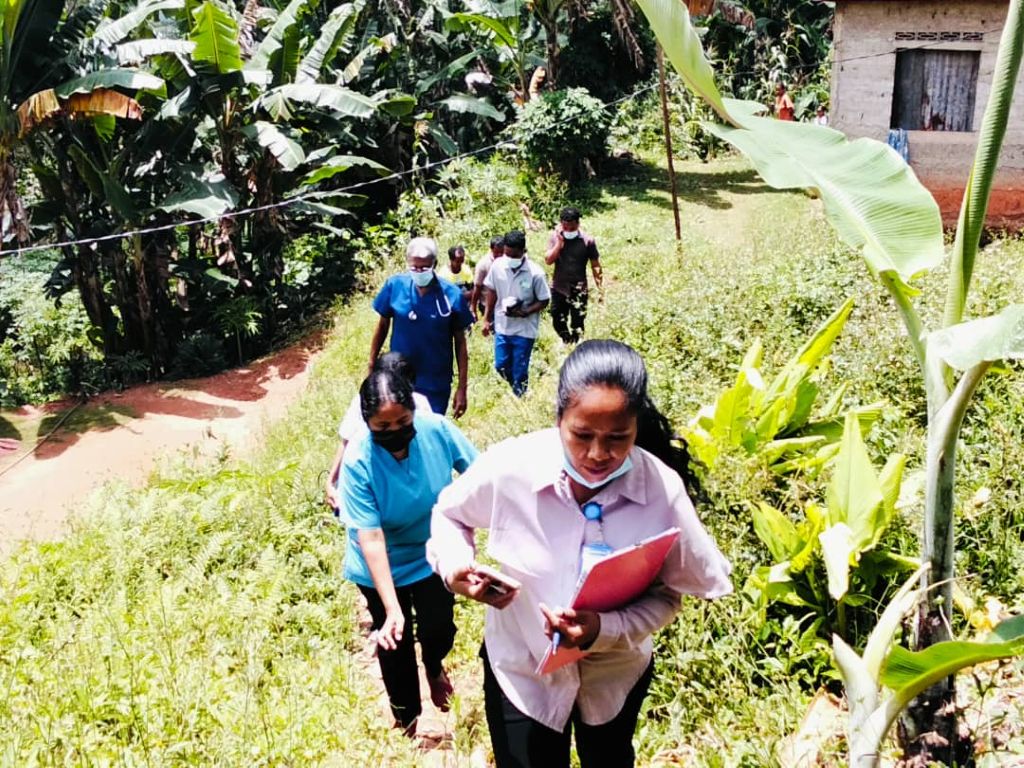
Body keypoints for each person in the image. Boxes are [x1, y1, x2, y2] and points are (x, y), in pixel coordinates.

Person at [428, 340, 732, 768]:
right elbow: (448, 515)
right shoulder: (512, 467)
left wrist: (603, 630)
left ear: (636, 427)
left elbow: (668, 597)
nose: (597, 454)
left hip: (614, 676)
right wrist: (455, 566)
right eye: (582, 435)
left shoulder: (661, 491)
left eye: (617, 438)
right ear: (559, 419)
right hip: (522, 668)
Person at [342, 365, 478, 734]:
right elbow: (371, 538)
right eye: (382, 426)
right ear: (367, 422)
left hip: (433, 550)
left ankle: (433, 665)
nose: (395, 431)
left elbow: (479, 476)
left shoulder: (437, 430)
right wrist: (392, 609)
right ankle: (407, 724)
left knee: (439, 627)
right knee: (394, 643)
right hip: (380, 563)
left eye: (402, 421)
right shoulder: (358, 459)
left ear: (414, 411)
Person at [369, 237, 474, 417]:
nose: (419, 272)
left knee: (429, 427)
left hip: (435, 382)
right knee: (401, 426)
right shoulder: (395, 286)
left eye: (424, 268)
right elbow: (382, 327)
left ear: (434, 264)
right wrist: (372, 365)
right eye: (414, 267)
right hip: (398, 378)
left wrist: (462, 388)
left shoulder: (451, 295)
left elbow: (460, 343)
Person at [324, 352, 432, 513]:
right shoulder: (364, 403)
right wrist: (331, 482)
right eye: (383, 424)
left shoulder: (420, 405)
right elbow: (346, 441)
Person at [483, 230, 550, 397]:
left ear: (523, 251)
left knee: (520, 368)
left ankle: (520, 396)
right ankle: (516, 386)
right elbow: (491, 291)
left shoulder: (536, 273)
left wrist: (526, 311)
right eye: (507, 254)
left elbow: (544, 300)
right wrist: (486, 318)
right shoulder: (497, 266)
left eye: (514, 255)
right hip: (502, 326)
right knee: (500, 365)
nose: (510, 258)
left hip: (524, 329)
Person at [545, 207, 602, 345]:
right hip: (559, 287)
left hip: (579, 288)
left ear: (578, 224)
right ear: (561, 224)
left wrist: (600, 288)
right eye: (566, 227)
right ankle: (565, 339)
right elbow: (548, 260)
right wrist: (559, 244)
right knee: (558, 317)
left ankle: (576, 343)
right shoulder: (554, 237)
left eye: (572, 228)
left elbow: (595, 265)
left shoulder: (588, 241)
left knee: (578, 320)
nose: (569, 230)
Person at [471, 235, 505, 320]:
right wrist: (473, 307)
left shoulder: (506, 261)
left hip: (504, 305)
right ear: (491, 249)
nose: (499, 255)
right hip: (488, 306)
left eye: (502, 252)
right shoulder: (483, 264)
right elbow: (477, 287)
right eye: (496, 253)